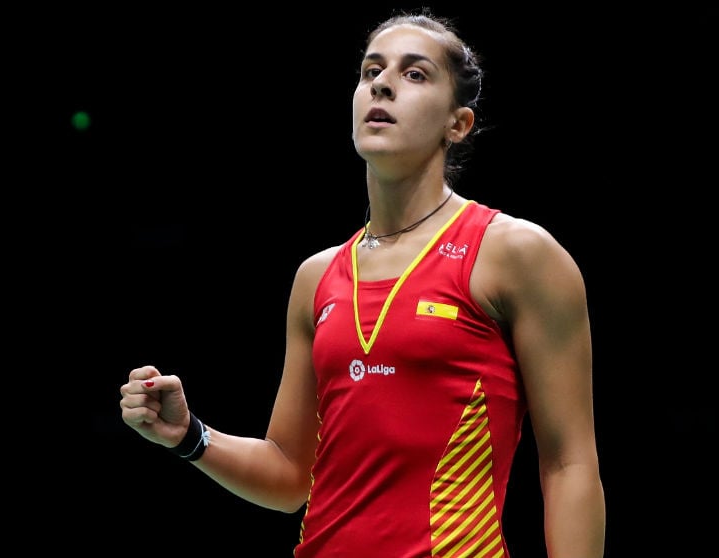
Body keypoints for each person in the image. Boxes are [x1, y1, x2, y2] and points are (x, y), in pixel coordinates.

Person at [119, 9, 605, 557]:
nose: (382, 83)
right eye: (371, 70)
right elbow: (289, 476)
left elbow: (569, 464)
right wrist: (190, 438)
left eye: (414, 74)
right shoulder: (317, 277)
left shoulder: (514, 254)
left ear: (458, 123)